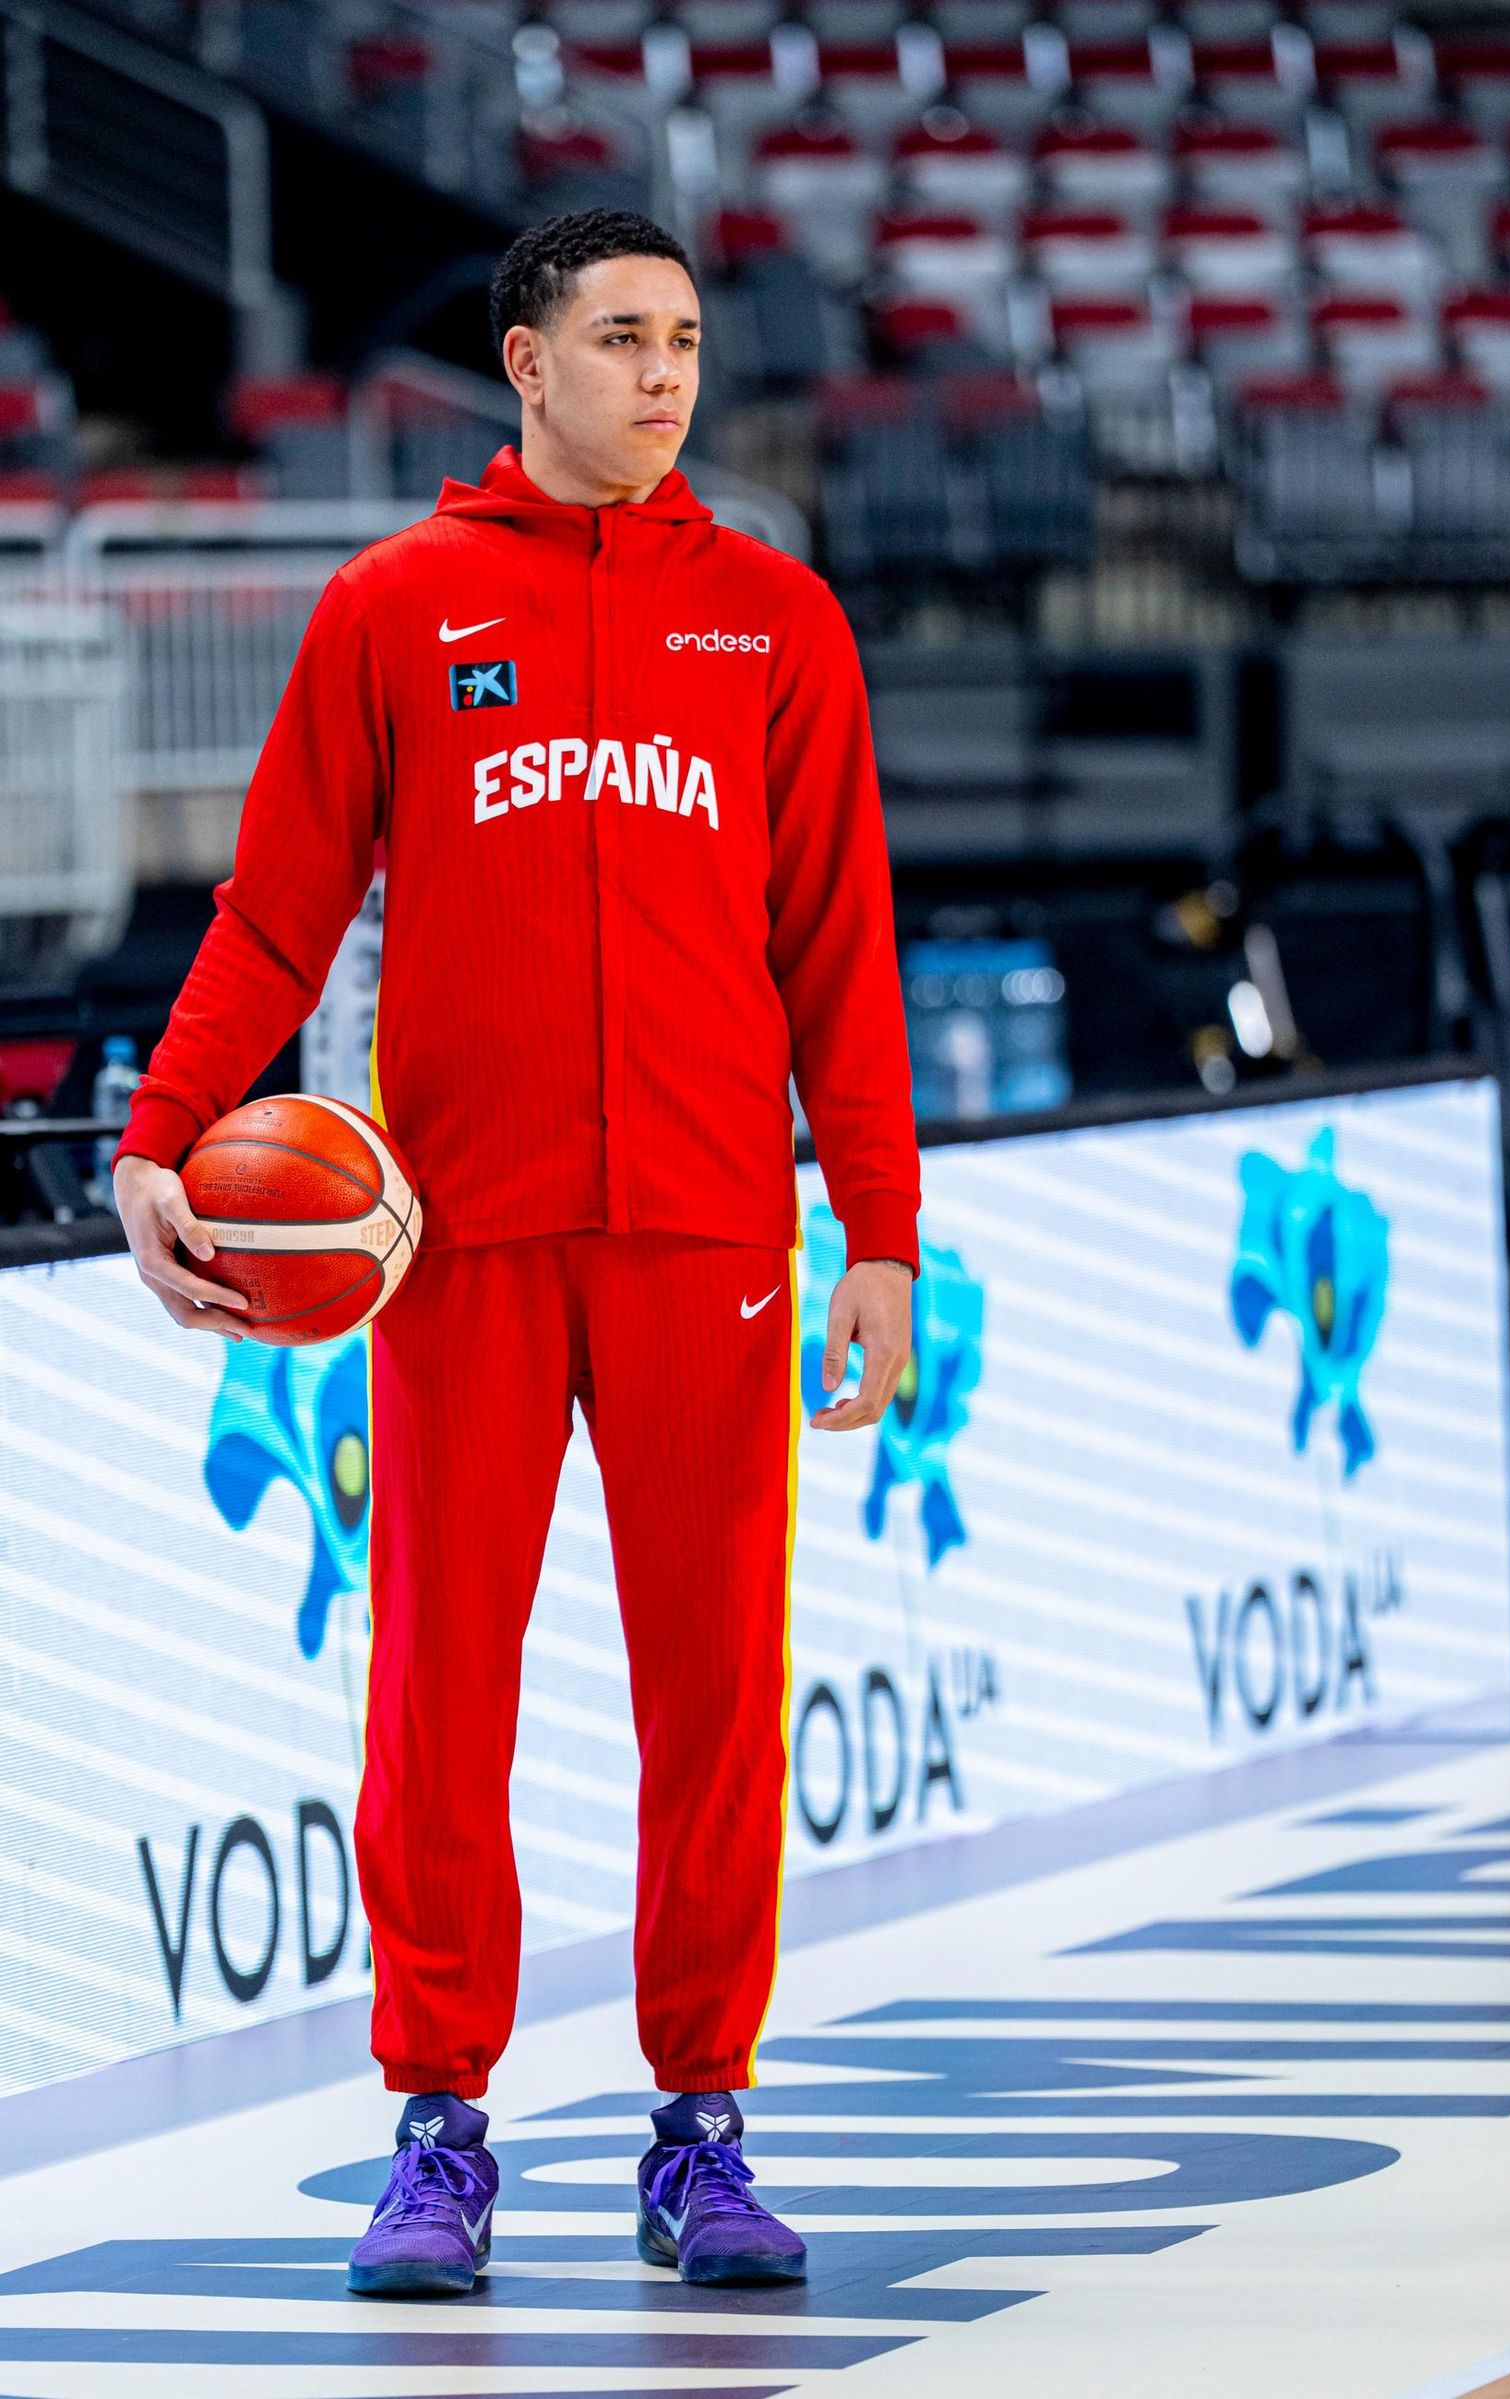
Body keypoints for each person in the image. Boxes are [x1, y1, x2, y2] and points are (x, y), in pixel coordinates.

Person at [112, 208, 920, 2295]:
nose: (666, 377)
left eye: (687, 343)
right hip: (454, 1244)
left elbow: (840, 964)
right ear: (521, 362)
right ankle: (438, 2128)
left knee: (713, 1705)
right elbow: (275, 915)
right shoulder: (393, 611)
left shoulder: (778, 629)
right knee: (436, 1698)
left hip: (708, 1245)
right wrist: (157, 1139)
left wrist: (876, 1235)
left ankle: (701, 2129)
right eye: (623, 338)